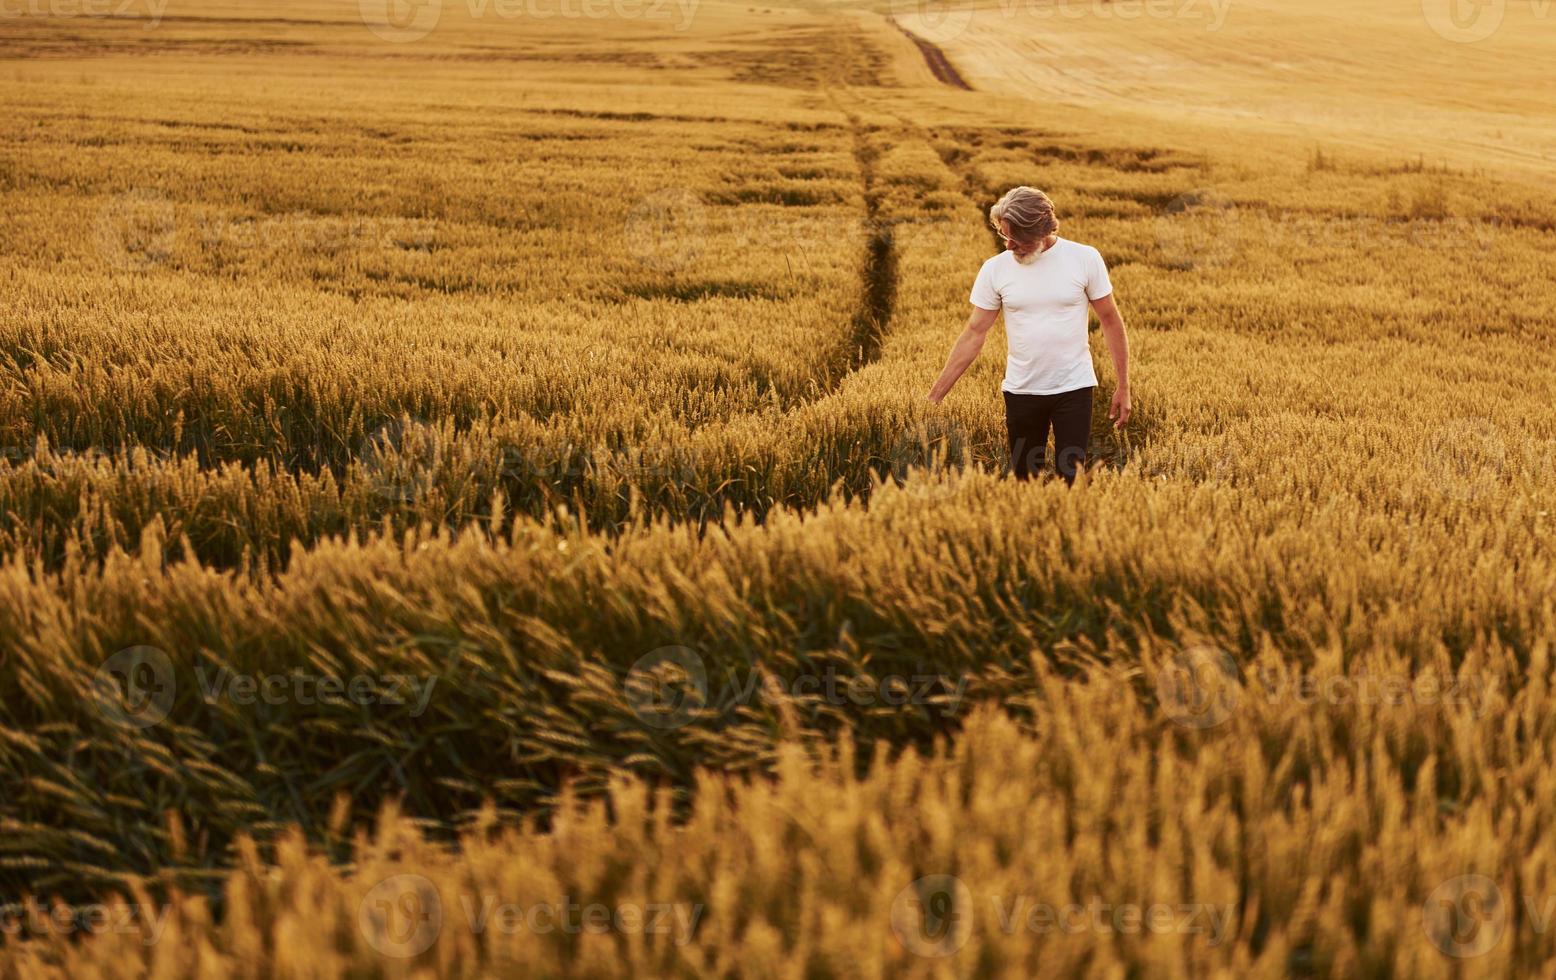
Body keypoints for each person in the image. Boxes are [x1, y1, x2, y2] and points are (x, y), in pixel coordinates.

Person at [927, 187, 1131, 483]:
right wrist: (935, 396)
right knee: (1024, 481)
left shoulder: (1084, 258)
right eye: (1003, 235)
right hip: (1021, 391)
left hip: (1074, 388)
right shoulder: (994, 270)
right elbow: (974, 333)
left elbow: (1111, 321)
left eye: (1016, 238)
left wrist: (1123, 386)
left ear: (1042, 230)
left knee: (1071, 479)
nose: (1008, 246)